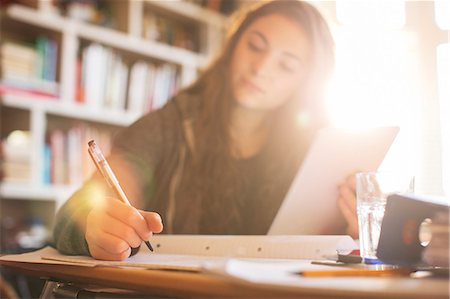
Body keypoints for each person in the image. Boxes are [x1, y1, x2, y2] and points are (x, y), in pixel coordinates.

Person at [53, 0, 357, 261]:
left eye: (286, 66)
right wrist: (92, 228)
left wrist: (357, 232)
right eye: (255, 46)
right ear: (233, 43)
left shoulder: (319, 153)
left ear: (306, 83)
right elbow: (72, 214)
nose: (261, 68)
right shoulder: (169, 126)